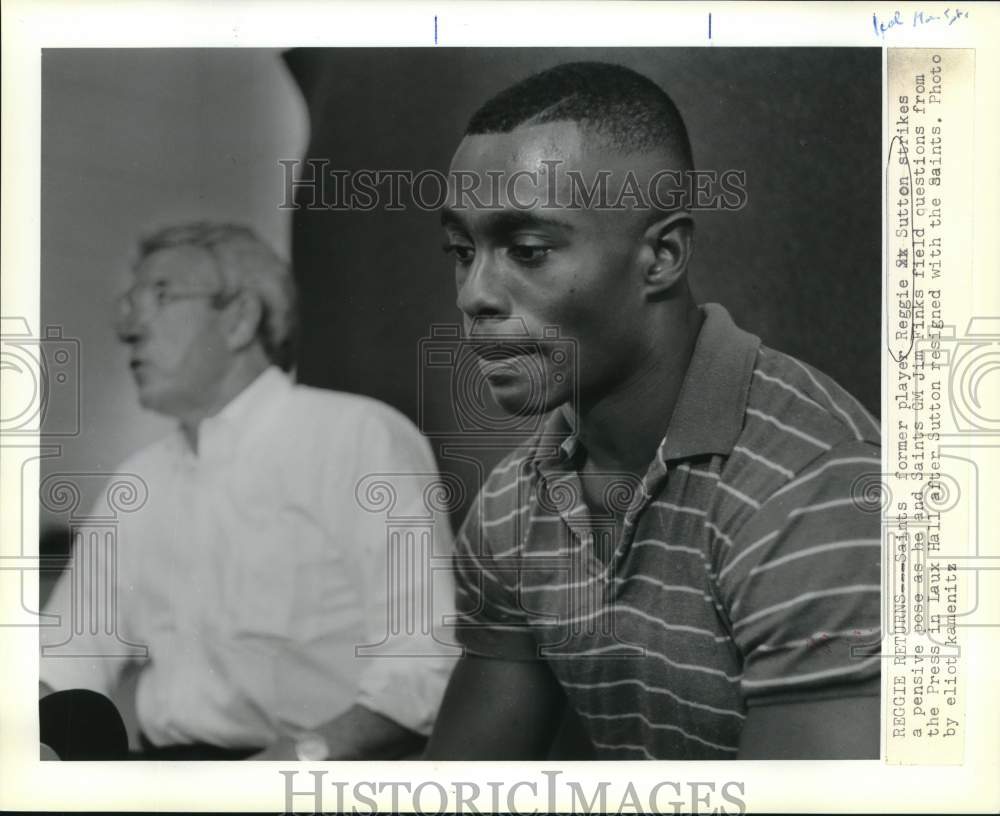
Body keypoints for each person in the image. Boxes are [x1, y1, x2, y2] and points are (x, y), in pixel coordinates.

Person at [426, 62, 882, 760]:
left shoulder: (811, 491)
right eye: (463, 251)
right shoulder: (513, 506)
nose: (475, 294)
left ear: (662, 255)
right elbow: (461, 784)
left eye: (527, 250)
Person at [39, 222, 457, 760]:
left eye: (161, 296)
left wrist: (296, 763)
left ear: (240, 319)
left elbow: (423, 659)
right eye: (131, 301)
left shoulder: (358, 438)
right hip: (167, 776)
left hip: (316, 777)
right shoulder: (137, 481)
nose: (130, 327)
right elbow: (64, 656)